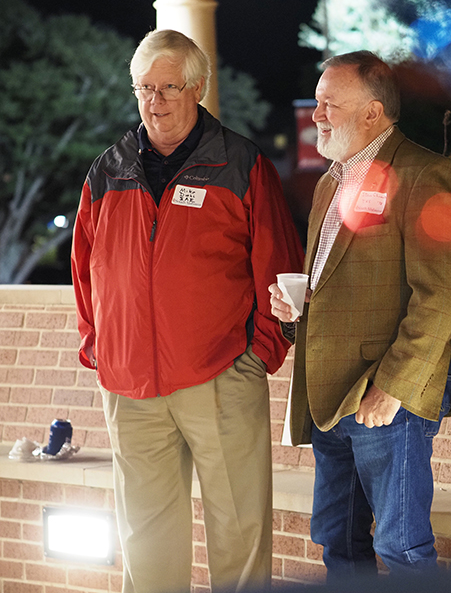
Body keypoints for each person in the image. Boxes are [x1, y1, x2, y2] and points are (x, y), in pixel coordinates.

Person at [71, 29, 304, 593]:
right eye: (144, 88)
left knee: (239, 536)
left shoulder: (242, 164)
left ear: (196, 88)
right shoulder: (107, 171)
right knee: (143, 542)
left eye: (168, 87)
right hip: (130, 388)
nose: (155, 101)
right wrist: (102, 351)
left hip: (220, 377)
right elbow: (84, 272)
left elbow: (281, 268)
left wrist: (256, 356)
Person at [268, 50, 451, 578]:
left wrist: (393, 387)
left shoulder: (428, 174)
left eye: (327, 103)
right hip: (329, 397)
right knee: (338, 543)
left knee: (402, 548)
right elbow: (336, 285)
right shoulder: (327, 184)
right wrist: (297, 307)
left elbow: (437, 296)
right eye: (317, 103)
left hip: (387, 399)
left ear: (372, 112)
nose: (315, 115)